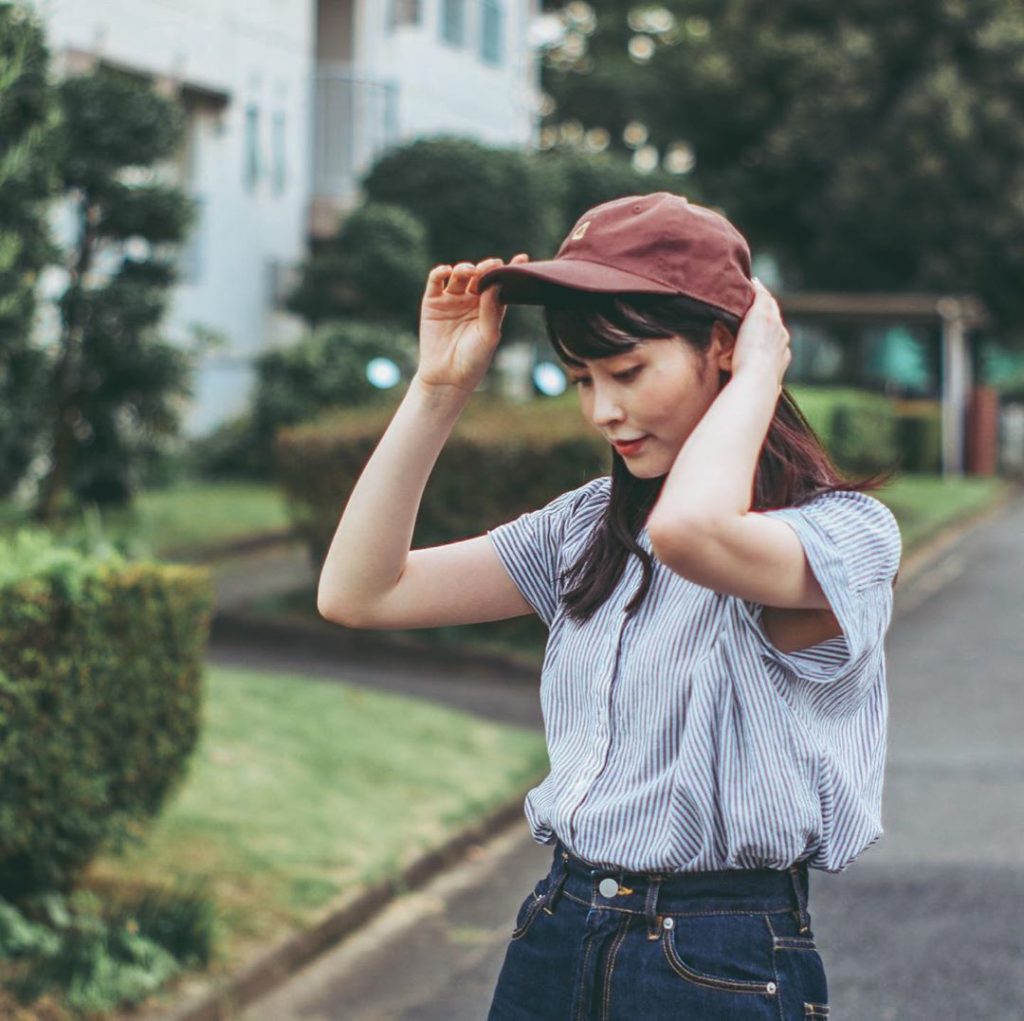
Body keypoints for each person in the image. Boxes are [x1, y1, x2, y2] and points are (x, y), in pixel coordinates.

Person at [316, 191, 902, 1020]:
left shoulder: (842, 536)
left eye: (628, 372)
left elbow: (694, 531)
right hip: (558, 925)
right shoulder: (588, 527)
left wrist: (762, 375)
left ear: (722, 348)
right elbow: (359, 591)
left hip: (714, 955)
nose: (603, 412)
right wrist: (440, 386)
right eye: (582, 378)